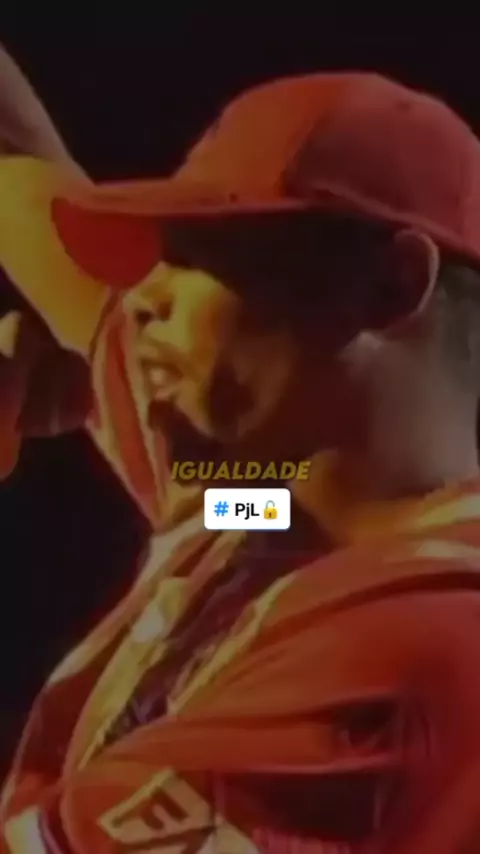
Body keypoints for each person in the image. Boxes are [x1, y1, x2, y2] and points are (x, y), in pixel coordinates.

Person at [0, 48, 480, 853]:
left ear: (390, 288)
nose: (143, 298)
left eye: (197, 258)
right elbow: (11, 166)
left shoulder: (408, 654)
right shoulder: (264, 496)